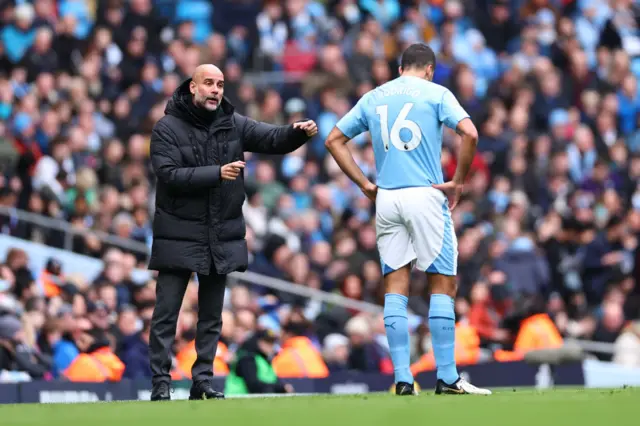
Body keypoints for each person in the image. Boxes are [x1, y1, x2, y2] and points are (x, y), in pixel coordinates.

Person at [324, 43, 491, 396]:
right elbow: (470, 133)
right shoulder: (436, 92)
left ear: (401, 69)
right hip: (425, 194)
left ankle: (403, 378)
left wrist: (365, 184)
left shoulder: (375, 96)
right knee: (442, 282)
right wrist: (458, 181)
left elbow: (334, 139)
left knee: (395, 286)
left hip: (387, 199)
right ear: (428, 70)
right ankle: (447, 377)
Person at [148, 64, 318, 401]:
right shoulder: (166, 127)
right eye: (208, 83)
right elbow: (168, 174)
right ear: (192, 87)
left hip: (218, 235)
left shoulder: (233, 123)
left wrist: (296, 133)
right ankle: (161, 383)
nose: (215, 90)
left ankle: (203, 382)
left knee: (211, 317)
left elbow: (270, 137)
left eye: (221, 85)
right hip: (178, 233)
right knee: (167, 314)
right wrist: (217, 172)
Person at [224, 329, 294, 396]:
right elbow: (253, 385)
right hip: (236, 399)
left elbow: (273, 380)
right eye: (267, 342)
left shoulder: (265, 360)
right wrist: (280, 388)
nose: (270, 346)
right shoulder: (247, 358)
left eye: (272, 342)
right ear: (257, 341)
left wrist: (283, 387)